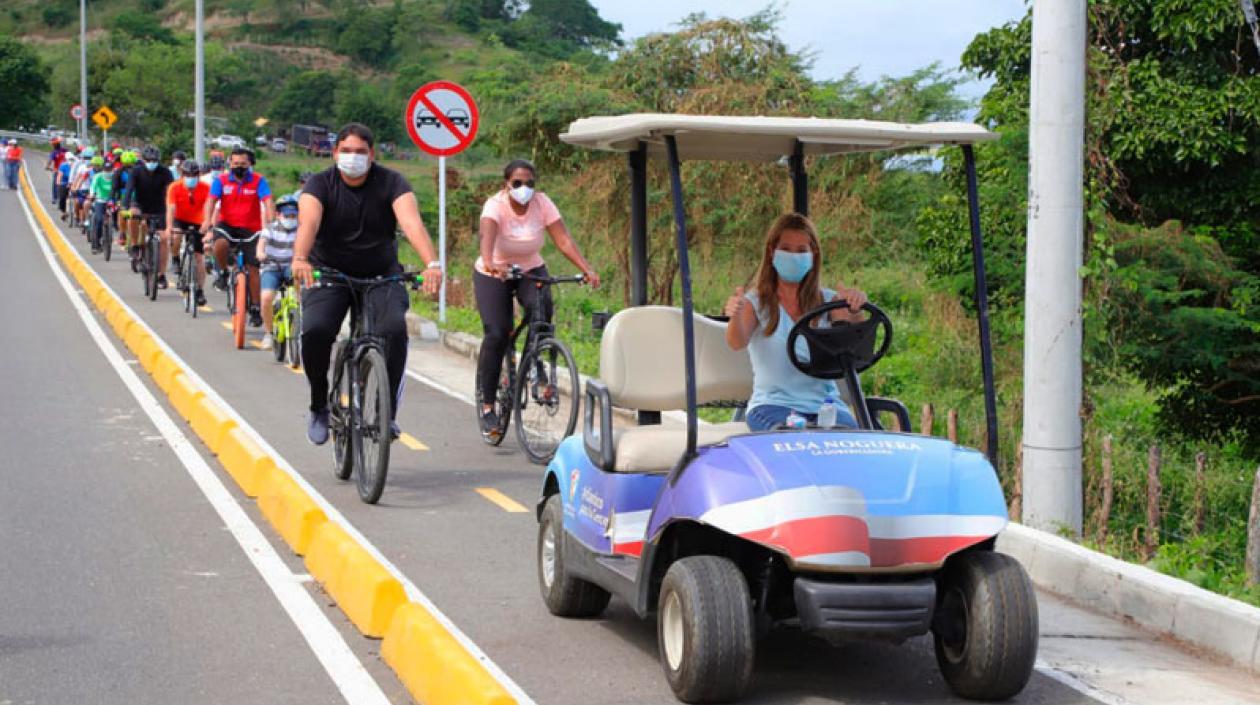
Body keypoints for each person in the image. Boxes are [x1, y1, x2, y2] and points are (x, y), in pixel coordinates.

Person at [292, 122, 442, 445]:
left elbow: (411, 222)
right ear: (335, 153)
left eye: (361, 152)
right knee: (316, 331)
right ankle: (319, 403)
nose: (353, 157)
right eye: (346, 151)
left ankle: (384, 411)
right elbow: (309, 221)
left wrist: (432, 263)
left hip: (381, 274)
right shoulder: (320, 184)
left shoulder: (392, 182)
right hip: (329, 273)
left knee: (393, 331)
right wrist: (300, 258)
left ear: (372, 155)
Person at [473, 158, 600, 436]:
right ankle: (488, 406)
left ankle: (534, 364)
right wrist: (490, 262)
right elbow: (487, 236)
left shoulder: (542, 203)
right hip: (495, 271)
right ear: (506, 185)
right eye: (517, 183)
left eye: (530, 183)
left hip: (530, 267)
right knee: (497, 334)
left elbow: (563, 240)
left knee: (542, 311)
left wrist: (586, 269)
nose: (524, 188)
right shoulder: (495, 205)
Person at [723, 213, 869, 432]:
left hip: (827, 407)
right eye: (787, 249)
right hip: (774, 406)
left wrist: (856, 308)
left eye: (802, 251)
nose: (794, 256)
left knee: (852, 443)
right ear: (772, 252)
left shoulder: (831, 302)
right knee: (792, 438)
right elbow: (736, 341)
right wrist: (735, 313)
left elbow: (856, 345)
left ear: (813, 255)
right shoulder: (756, 303)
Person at [201, 147, 273, 327]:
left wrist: (272, 224)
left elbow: (268, 202)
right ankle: (223, 273)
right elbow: (211, 201)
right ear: (229, 164)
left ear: (250, 164)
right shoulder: (221, 180)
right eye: (235, 164)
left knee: (254, 269)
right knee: (220, 244)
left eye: (243, 164)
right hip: (227, 226)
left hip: (251, 228)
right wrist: (208, 222)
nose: (239, 167)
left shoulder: (259, 181)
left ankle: (255, 308)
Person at [123, 146, 174, 286]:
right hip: (140, 204)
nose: (152, 162)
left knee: (163, 239)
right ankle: (134, 245)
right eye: (149, 160)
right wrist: (126, 205)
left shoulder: (165, 172)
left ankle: (161, 275)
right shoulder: (136, 171)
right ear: (144, 160)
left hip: (159, 206)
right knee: (133, 216)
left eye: (155, 160)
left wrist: (172, 209)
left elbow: (171, 191)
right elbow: (129, 189)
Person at [256, 194, 300, 350]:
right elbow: (261, 244)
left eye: (294, 215)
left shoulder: (301, 230)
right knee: (266, 298)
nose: (290, 218)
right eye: (287, 215)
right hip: (271, 267)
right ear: (278, 215)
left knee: (301, 281)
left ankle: (299, 314)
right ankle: (268, 333)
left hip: (291, 266)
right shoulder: (270, 229)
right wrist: (261, 253)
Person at [165, 160, 211, 307]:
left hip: (199, 221)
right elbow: (171, 209)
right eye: (187, 174)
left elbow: (209, 207)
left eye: (194, 174)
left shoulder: (206, 188)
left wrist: (207, 223)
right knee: (176, 236)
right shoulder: (174, 187)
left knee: (199, 258)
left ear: (199, 174)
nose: (191, 177)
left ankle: (199, 290)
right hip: (180, 219)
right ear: (182, 175)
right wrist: (169, 227)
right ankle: (176, 258)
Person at [86, 156, 113, 253]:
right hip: (100, 200)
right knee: (99, 220)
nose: (108, 171)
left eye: (110, 170)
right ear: (103, 169)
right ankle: (96, 244)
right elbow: (93, 186)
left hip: (112, 201)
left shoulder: (115, 176)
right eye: (106, 169)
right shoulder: (98, 176)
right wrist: (92, 195)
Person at [46, 137, 67, 203]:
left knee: (55, 184)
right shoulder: (65, 150)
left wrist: (47, 167)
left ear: (55, 145)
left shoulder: (54, 152)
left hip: (57, 171)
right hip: (65, 171)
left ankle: (55, 198)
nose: (52, 145)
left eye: (53, 144)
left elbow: (50, 161)